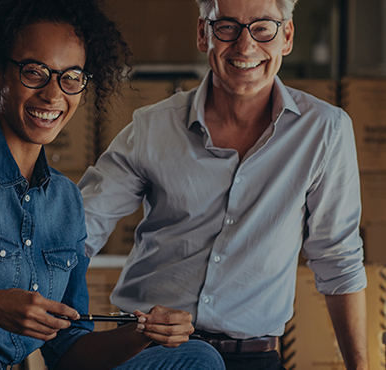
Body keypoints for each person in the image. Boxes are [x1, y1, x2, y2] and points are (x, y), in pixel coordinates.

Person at [0, 1, 226, 369]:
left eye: (70, 77)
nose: (54, 95)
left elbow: (69, 350)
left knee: (196, 357)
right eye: (34, 72)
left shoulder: (65, 200)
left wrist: (143, 333)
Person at [78, 0, 369, 369]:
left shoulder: (325, 131)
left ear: (287, 36)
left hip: (253, 359)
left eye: (263, 28)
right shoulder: (153, 128)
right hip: (152, 354)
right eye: (227, 27)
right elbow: (79, 232)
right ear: (204, 34)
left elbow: (338, 259)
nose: (245, 47)